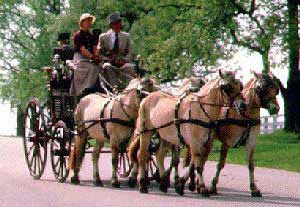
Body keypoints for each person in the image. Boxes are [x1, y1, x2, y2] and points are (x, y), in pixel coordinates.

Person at [97, 12, 136, 91]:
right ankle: (114, 88)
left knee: (130, 67)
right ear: (111, 25)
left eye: (119, 23)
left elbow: (130, 52)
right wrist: (107, 59)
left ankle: (127, 89)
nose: (118, 25)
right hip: (110, 62)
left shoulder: (126, 36)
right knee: (107, 67)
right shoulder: (103, 37)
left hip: (122, 62)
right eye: (116, 24)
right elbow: (99, 53)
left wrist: (124, 60)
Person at [70, 13, 100, 97]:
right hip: (80, 58)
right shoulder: (77, 35)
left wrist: (96, 56)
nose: (89, 23)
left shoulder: (91, 35)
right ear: (82, 22)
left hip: (89, 58)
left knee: (101, 67)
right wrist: (92, 57)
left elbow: (95, 47)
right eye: (87, 21)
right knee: (92, 67)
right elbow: (82, 49)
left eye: (90, 21)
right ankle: (86, 88)